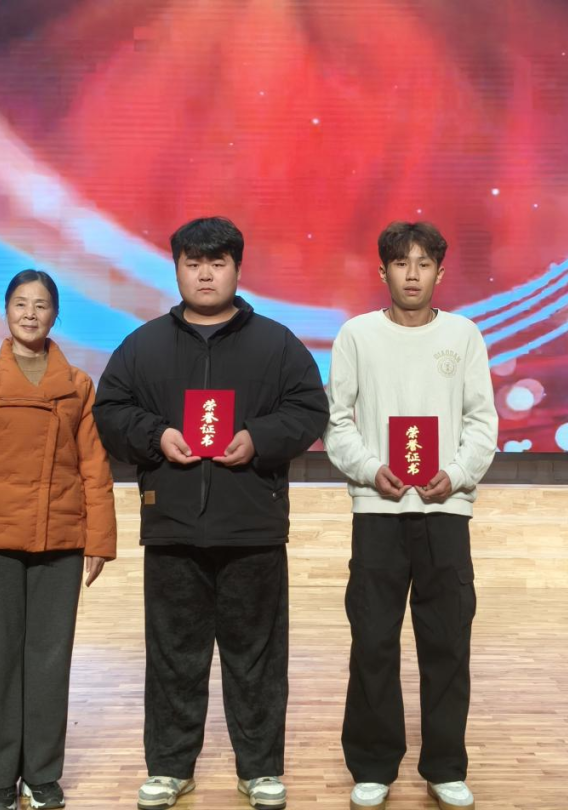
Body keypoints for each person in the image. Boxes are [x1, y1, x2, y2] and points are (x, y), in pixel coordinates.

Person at [93, 217, 329, 810]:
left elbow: (309, 409)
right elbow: (110, 411)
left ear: (237, 269)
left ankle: (261, 769)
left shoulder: (276, 343)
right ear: (175, 269)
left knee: (257, 659)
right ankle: (170, 768)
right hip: (172, 527)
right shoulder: (143, 345)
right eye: (193, 263)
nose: (205, 274)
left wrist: (258, 438)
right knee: (173, 656)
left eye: (217, 263)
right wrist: (157, 435)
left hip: (252, 526)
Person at [323, 222, 498, 810]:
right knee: (373, 639)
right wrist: (371, 469)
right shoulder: (356, 335)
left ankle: (445, 766)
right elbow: (337, 420)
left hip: (445, 509)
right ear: (383, 272)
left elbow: (482, 421)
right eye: (401, 263)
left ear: (440, 273)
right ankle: (373, 765)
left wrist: (458, 473)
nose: (413, 274)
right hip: (378, 508)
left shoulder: (464, 335)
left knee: (447, 639)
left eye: (424, 264)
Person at [0, 269, 117, 810]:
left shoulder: (77, 384)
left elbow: (93, 467)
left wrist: (99, 539)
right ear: (6, 310)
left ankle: (42, 775)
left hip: (60, 542)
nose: (30, 314)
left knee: (49, 662)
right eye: (21, 303)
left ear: (55, 315)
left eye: (41, 305)